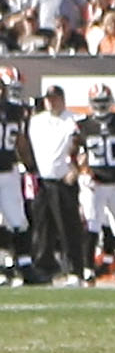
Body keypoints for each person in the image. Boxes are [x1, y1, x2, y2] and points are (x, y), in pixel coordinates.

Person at [75, 82, 115, 283]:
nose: (101, 106)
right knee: (92, 225)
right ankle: (87, 269)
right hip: (94, 184)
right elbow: (72, 153)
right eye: (98, 102)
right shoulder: (82, 125)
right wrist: (82, 172)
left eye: (104, 102)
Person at [27, 82, 83, 283]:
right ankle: (44, 268)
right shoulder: (36, 121)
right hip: (43, 180)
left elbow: (82, 147)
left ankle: (74, 269)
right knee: (43, 228)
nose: (51, 103)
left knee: (68, 227)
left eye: (54, 99)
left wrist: (76, 169)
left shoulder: (73, 120)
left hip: (63, 180)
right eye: (48, 99)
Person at [0, 66, 35, 283]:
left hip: (9, 170)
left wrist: (30, 166)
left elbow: (20, 141)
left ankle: (24, 265)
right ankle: (5, 266)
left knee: (18, 220)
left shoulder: (16, 111)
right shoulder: (16, 111)